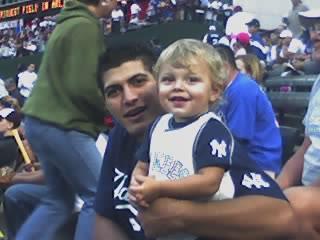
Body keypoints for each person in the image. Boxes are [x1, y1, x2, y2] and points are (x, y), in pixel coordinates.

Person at [94, 42, 300, 240]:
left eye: (138, 81)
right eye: (114, 91)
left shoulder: (203, 133)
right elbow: (105, 216)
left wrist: (180, 215)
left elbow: (281, 217)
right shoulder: (121, 136)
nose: (128, 97)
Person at [18, 0, 117, 239]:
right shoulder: (85, 25)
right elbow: (82, 86)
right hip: (62, 124)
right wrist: (111, 110)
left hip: (39, 123)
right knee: (99, 196)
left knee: (58, 201)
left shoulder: (69, 21)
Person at [276, 9, 320, 240]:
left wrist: (293, 197)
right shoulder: (319, 85)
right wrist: (274, 191)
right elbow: (304, 149)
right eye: (314, 28)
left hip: (311, 196)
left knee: (294, 206)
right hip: (309, 190)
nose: (315, 36)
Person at [214, 44, 282, 176]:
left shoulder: (242, 88)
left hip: (259, 164)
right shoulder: (230, 87)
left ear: (224, 67)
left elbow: (238, 139)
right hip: (244, 159)